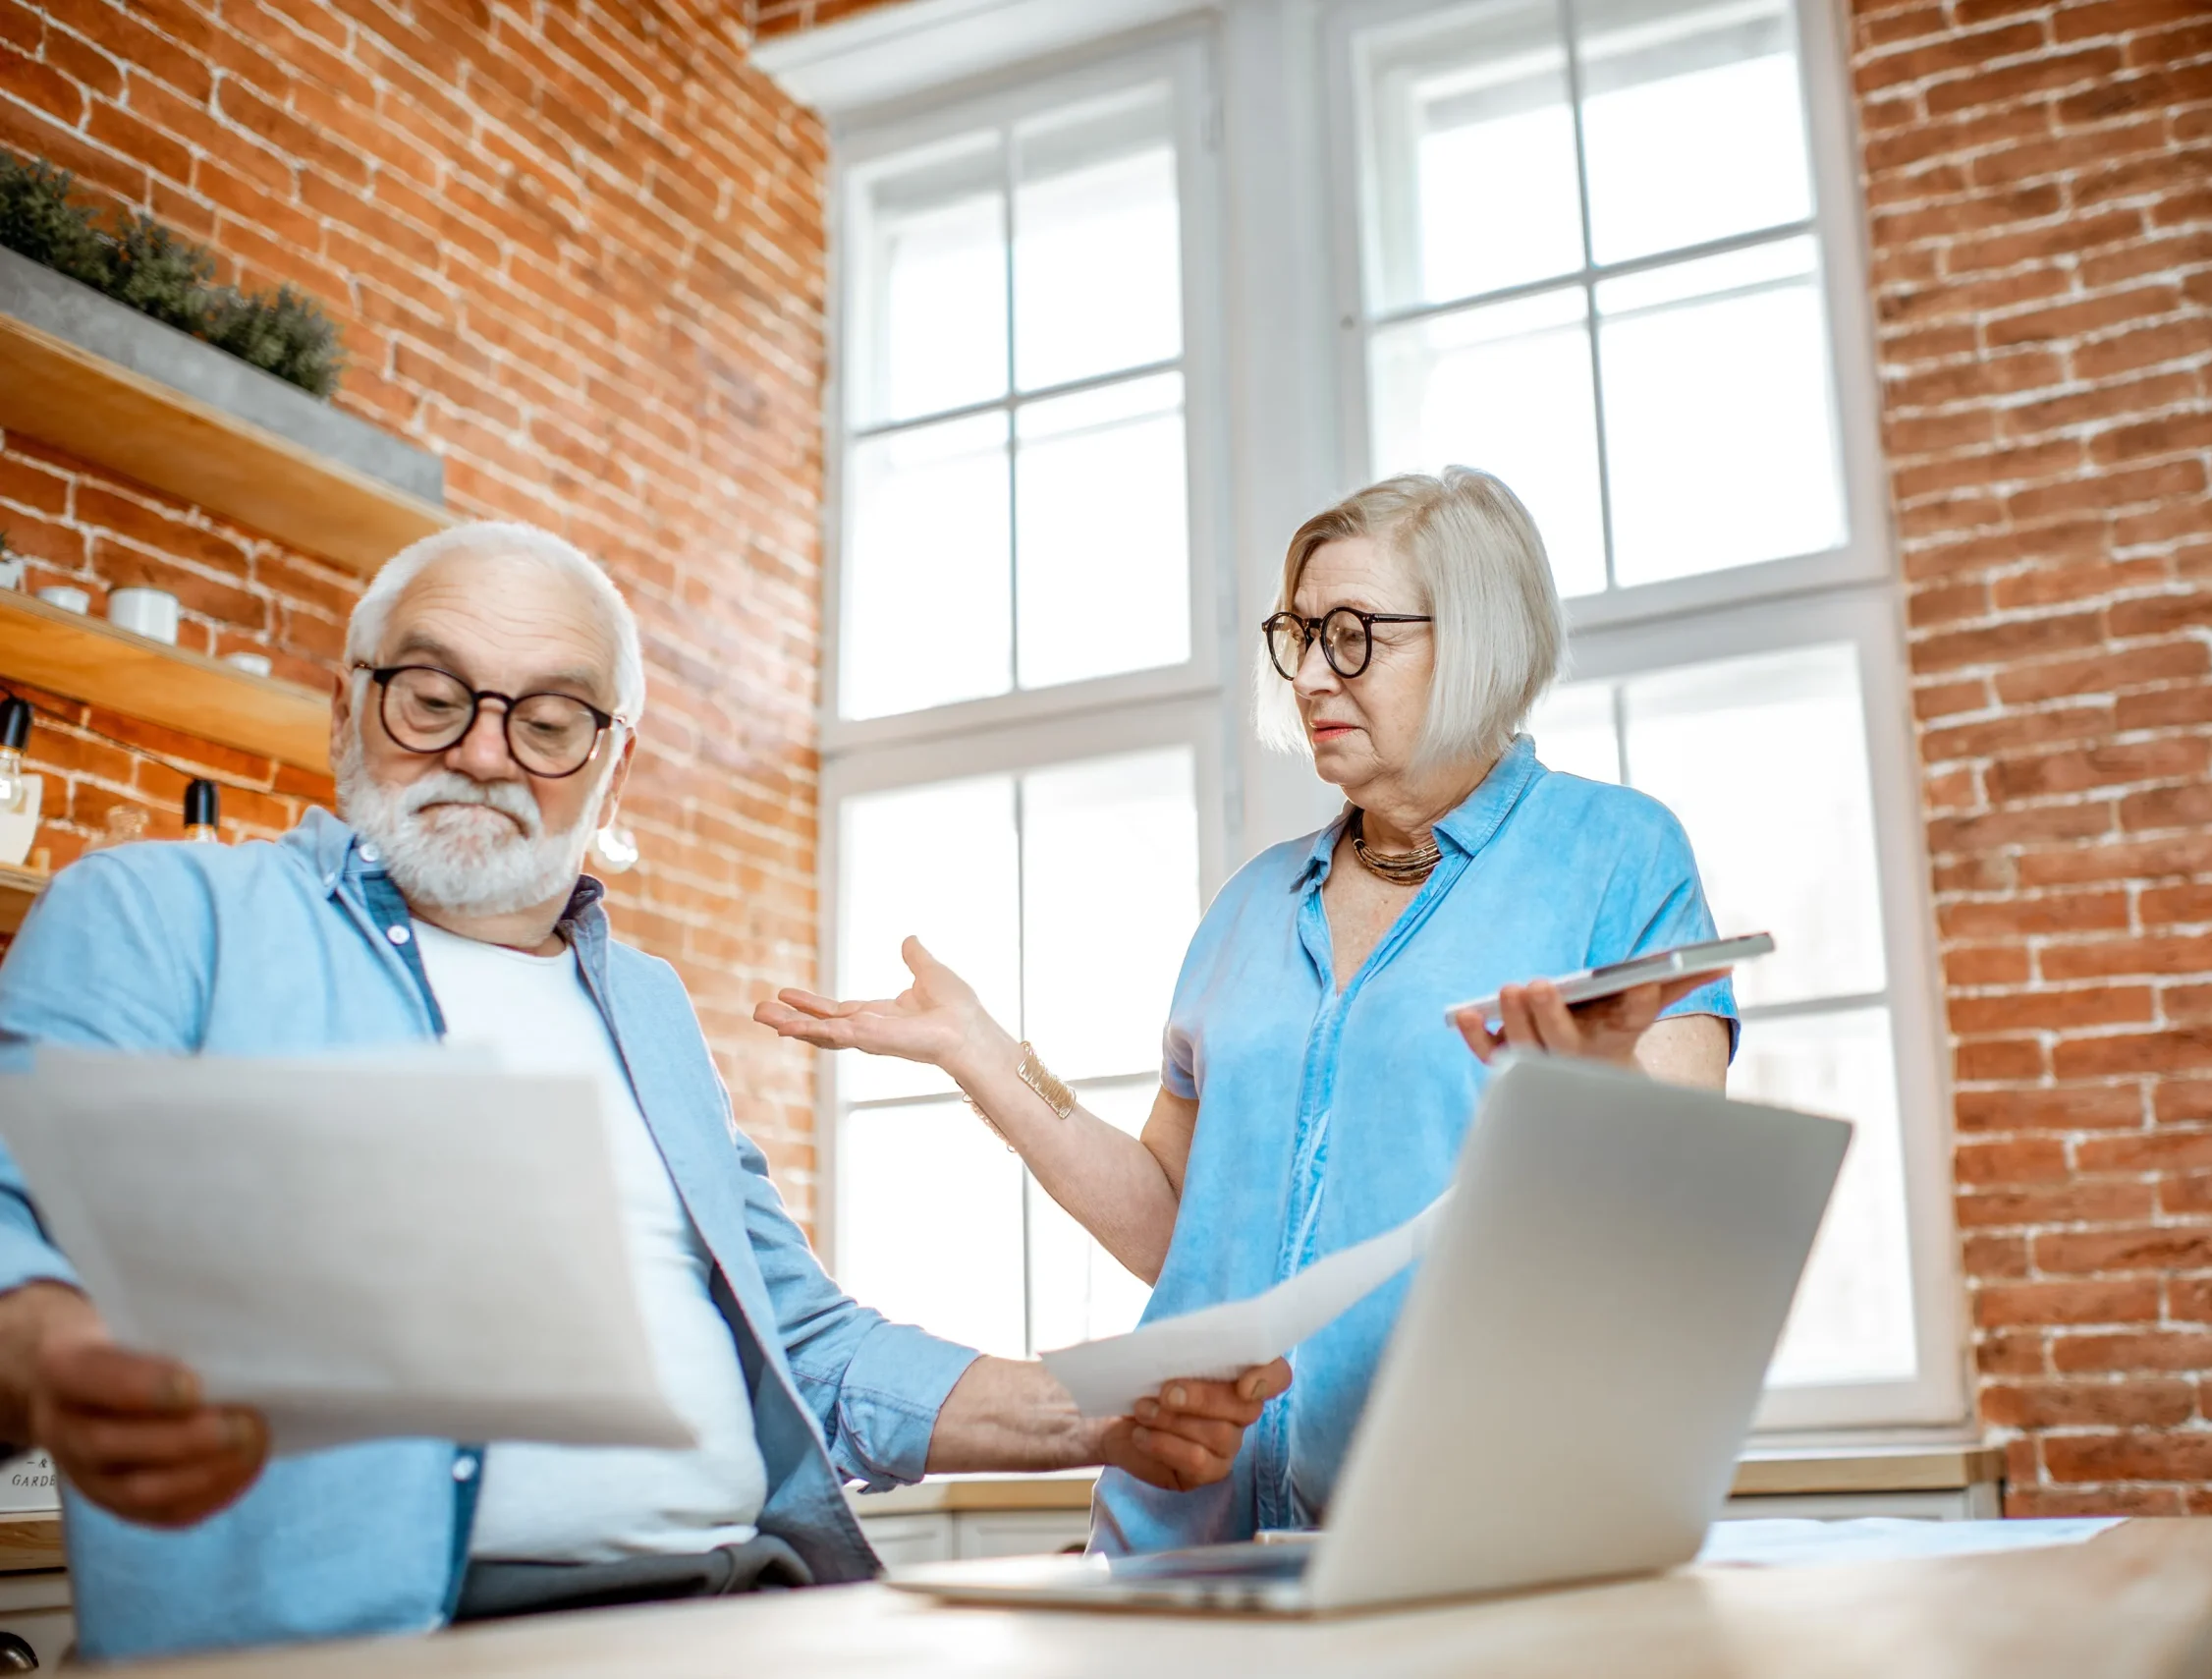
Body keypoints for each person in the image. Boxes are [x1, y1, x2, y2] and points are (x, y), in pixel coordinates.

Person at [0, 522, 1287, 1663]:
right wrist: (63, 1363)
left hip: (752, 1613)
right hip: (403, 1641)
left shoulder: (651, 1008)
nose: (488, 753)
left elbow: (808, 1348)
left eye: (551, 720)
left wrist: (1101, 1409)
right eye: (433, 696)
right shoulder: (166, 917)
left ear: (610, 762)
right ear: (349, 708)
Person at [755, 469, 1737, 1554]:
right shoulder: (1250, 904)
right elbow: (1174, 1227)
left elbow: (1685, 1221)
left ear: (1479, 640)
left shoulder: (1615, 856)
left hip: (1455, 1545)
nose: (1312, 673)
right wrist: (985, 1056)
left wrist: (1600, 1090)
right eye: (1300, 633)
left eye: (1353, 635)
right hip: (1180, 1542)